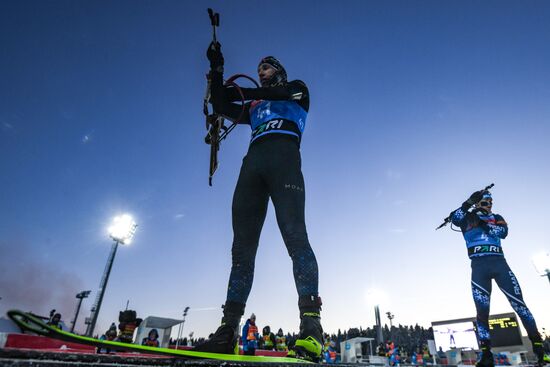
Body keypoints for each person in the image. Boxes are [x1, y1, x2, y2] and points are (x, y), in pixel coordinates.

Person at [194, 40, 323, 361]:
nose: (260, 73)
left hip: (284, 163)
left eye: (265, 68)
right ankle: (227, 331)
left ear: (277, 69)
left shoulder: (297, 89)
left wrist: (239, 93)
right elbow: (222, 105)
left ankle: (311, 329)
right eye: (258, 70)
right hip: (253, 166)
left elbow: (276, 94)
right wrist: (216, 68)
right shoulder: (253, 108)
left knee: (296, 237)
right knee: (241, 251)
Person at [450, 189, 545, 367]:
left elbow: (502, 232)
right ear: (478, 203)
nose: (490, 205)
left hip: (500, 265)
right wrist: (468, 202)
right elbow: (455, 218)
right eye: (485, 202)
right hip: (479, 267)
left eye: (491, 202)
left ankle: (540, 350)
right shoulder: (467, 217)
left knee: (520, 305)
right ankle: (486, 355)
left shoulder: (497, 216)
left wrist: (483, 224)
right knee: (482, 313)